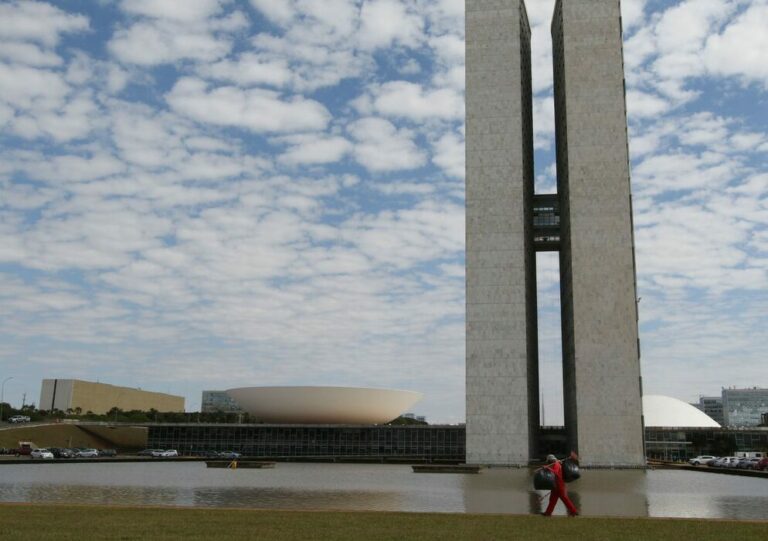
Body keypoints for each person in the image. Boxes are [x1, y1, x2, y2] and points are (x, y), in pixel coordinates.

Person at [541, 452, 579, 517]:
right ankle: (548, 513)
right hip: (555, 485)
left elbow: (555, 472)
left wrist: (547, 468)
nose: (548, 462)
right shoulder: (555, 464)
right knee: (552, 500)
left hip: (559, 484)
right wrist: (548, 468)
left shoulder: (556, 464)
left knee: (565, 499)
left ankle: (574, 511)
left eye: (548, 461)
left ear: (551, 460)